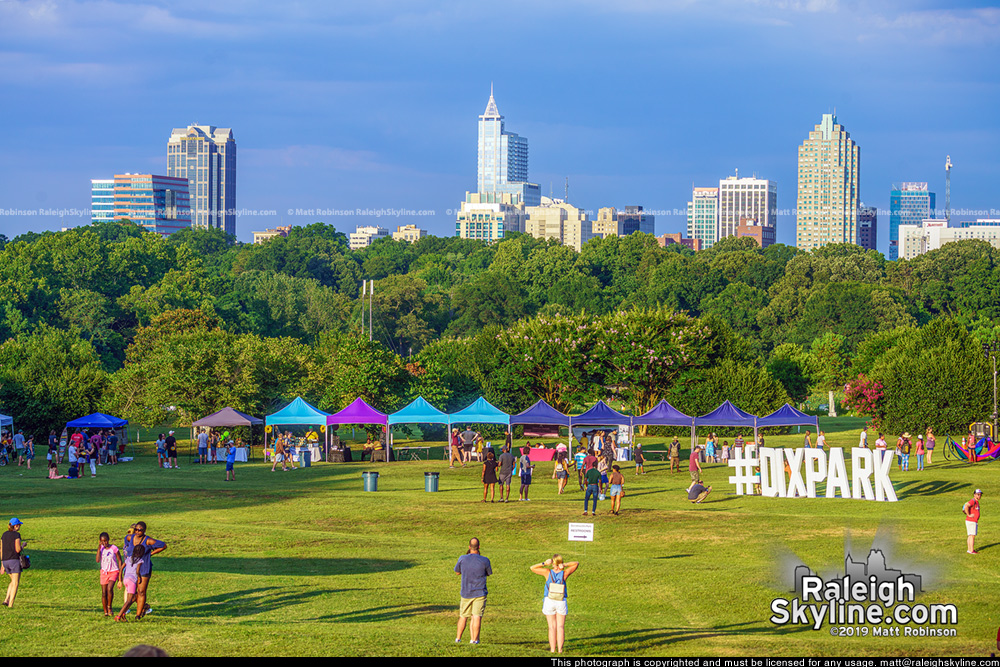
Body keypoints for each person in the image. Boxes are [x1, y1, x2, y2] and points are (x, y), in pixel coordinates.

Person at [529, 555, 580, 653]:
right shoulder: (564, 573)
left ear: (552, 563)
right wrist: (564, 565)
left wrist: (544, 563)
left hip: (549, 600)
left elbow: (532, 568)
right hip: (561, 600)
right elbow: (576, 563)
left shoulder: (547, 572)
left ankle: (552, 650)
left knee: (552, 627)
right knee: (560, 627)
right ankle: (560, 650)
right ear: (560, 562)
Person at [124, 522, 166, 620]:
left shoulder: (148, 540)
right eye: (136, 529)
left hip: (144, 568)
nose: (138, 531)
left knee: (141, 591)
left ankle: (138, 615)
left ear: (144, 531)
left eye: (140, 530)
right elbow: (127, 545)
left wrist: (151, 554)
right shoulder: (129, 538)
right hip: (132, 569)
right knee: (132, 592)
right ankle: (144, 607)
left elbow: (163, 545)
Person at [454, 537, 491, 645]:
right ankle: (474, 640)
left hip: (466, 592)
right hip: (480, 592)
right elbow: (488, 573)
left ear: (469, 547)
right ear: (479, 547)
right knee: (476, 616)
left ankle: (458, 638)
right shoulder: (485, 560)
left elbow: (457, 572)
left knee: (463, 616)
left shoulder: (462, 558)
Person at [116, 543, 145, 621]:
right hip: (132, 581)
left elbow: (121, 568)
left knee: (131, 599)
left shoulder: (128, 558)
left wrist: (120, 580)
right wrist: (139, 578)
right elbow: (138, 571)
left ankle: (123, 615)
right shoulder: (140, 561)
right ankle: (118, 616)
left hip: (126, 579)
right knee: (129, 601)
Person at [97, 532, 123, 617]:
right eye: (102, 541)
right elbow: (97, 560)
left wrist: (120, 573)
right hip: (104, 572)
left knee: (109, 588)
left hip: (114, 571)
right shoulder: (101, 549)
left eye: (105, 541)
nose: (104, 543)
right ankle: (105, 611)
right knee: (104, 592)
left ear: (108, 540)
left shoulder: (114, 548)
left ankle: (109, 607)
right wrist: (98, 548)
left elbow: (119, 560)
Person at [2, 518, 24, 608]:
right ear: (16, 526)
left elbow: (1, 549)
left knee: (12, 581)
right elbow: (18, 549)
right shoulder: (16, 535)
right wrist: (23, 545)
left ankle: (6, 600)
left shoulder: (4, 535)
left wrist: (2, 565)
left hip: (5, 561)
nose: (20, 526)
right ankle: (10, 605)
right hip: (14, 561)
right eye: (19, 525)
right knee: (15, 583)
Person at [964, 489, 983, 555]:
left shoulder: (976, 502)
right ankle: (971, 550)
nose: (979, 496)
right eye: (978, 494)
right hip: (971, 520)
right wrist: (968, 514)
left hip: (971, 521)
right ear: (974, 495)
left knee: (970, 535)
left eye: (980, 494)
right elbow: (966, 506)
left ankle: (969, 550)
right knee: (972, 536)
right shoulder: (973, 501)